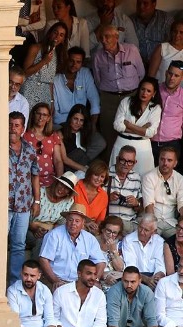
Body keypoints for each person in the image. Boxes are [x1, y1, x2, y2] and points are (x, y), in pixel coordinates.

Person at [94, 25, 147, 158]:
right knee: (108, 132)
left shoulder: (132, 50)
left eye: (107, 37)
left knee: (132, 130)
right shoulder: (98, 56)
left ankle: (131, 163)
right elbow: (97, 79)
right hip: (109, 99)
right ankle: (109, 168)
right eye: (101, 37)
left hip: (131, 96)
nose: (103, 40)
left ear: (116, 37)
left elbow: (141, 73)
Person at [8, 112, 41, 285]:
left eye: (17, 125)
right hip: (3, 205)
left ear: (23, 128)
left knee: (19, 245)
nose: (13, 128)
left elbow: (35, 175)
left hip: (23, 205)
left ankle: (14, 284)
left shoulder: (29, 149)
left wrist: (37, 200)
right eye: (10, 124)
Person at [40, 208, 106, 288]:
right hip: (55, 280)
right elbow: (43, 260)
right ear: (66, 221)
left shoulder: (90, 239)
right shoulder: (54, 235)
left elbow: (100, 262)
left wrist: (95, 280)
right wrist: (55, 281)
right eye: (70, 220)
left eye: (77, 221)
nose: (73, 223)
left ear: (83, 223)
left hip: (80, 282)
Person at [21, 22, 66, 113]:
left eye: (61, 35)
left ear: (63, 39)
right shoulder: (36, 48)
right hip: (29, 90)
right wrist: (43, 62)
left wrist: (52, 102)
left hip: (45, 94)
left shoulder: (56, 54)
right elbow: (25, 72)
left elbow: (50, 82)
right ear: (50, 33)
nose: (57, 37)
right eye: (55, 33)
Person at [53, 48, 101, 128]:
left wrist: (92, 126)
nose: (74, 65)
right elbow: (55, 112)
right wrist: (71, 124)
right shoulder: (55, 79)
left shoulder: (85, 73)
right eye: (71, 61)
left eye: (78, 62)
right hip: (61, 123)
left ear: (82, 63)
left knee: (98, 140)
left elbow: (94, 100)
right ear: (66, 60)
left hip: (82, 123)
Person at [122, 213, 174, 288]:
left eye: (146, 230)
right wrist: (144, 278)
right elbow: (130, 266)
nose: (141, 232)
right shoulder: (128, 240)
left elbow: (160, 265)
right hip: (135, 278)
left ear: (154, 231)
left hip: (154, 278)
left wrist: (158, 276)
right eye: (140, 227)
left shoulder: (159, 241)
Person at [142, 145, 183, 238]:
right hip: (154, 221)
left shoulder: (180, 179)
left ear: (175, 163)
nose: (165, 163)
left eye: (169, 160)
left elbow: (182, 204)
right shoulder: (149, 177)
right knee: (150, 240)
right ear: (158, 160)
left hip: (171, 223)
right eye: (162, 159)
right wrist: (152, 227)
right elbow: (149, 206)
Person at [108, 145, 145, 226]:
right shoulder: (106, 174)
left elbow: (141, 208)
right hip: (109, 222)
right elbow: (94, 201)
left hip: (129, 222)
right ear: (117, 159)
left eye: (130, 161)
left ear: (134, 163)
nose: (126, 164)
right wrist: (108, 198)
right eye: (122, 160)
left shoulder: (137, 177)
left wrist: (136, 203)